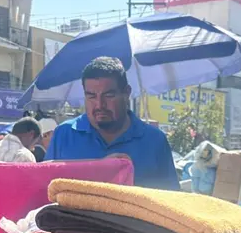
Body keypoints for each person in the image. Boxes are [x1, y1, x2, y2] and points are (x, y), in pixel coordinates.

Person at [45, 57, 179, 190]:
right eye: (91, 96)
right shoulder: (64, 134)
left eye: (109, 95)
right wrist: (99, 170)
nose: (99, 105)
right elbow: (45, 190)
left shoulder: (155, 140)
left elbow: (170, 198)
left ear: (126, 93)